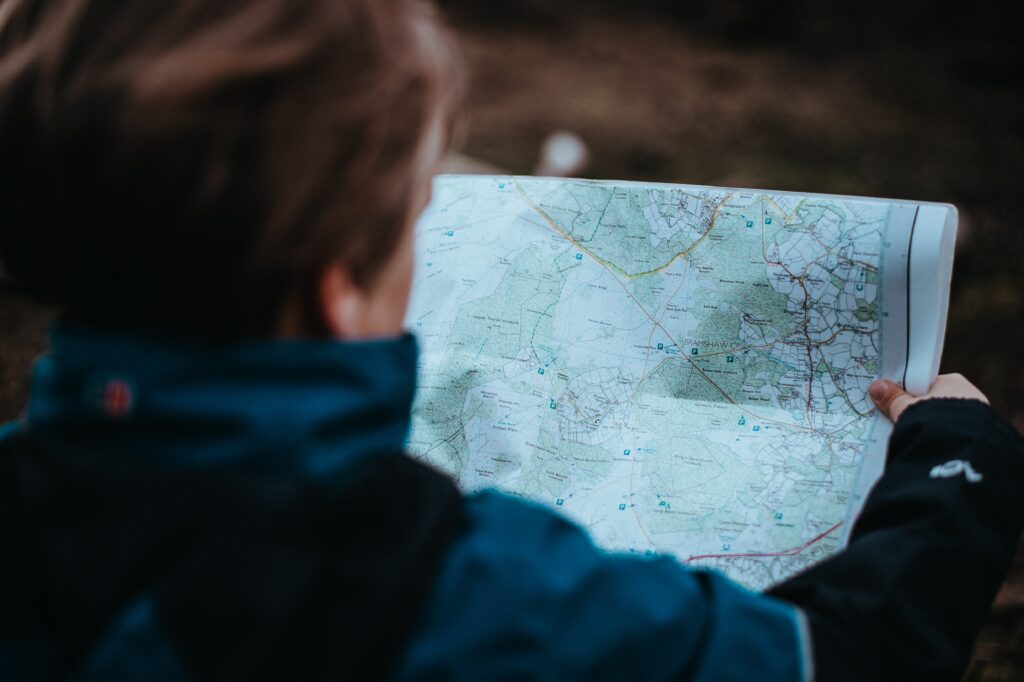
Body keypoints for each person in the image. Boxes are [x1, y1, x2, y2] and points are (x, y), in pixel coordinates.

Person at [0, 0, 1021, 680]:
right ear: (339, 296)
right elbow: (838, 656)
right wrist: (957, 465)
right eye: (412, 219)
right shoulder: (479, 589)